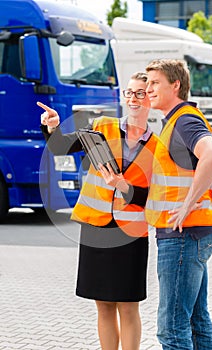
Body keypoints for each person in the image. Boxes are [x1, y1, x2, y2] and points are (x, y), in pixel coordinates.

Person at [37, 72, 158, 350]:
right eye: (129, 92)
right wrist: (53, 127)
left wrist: (123, 185)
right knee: (103, 305)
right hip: (95, 229)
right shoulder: (103, 126)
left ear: (150, 97)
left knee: (128, 306)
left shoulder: (157, 146)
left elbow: (153, 198)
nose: (134, 98)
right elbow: (60, 148)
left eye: (140, 92)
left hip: (130, 234)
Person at [144, 59, 212, 349]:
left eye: (155, 83)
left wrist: (188, 203)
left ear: (175, 85)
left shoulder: (185, 120)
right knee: (196, 321)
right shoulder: (175, 122)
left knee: (172, 329)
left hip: (183, 235)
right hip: (191, 233)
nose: (148, 88)